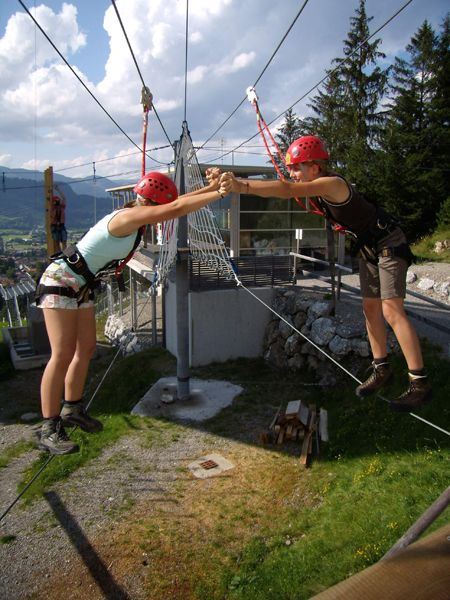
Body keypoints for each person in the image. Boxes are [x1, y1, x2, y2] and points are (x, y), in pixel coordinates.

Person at [220, 136, 433, 413]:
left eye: (296, 168)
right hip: (370, 247)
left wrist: (241, 185)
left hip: (389, 242)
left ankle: (420, 384)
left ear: (314, 167)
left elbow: (284, 189)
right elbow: (289, 187)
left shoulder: (332, 184)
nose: (292, 174)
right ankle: (382, 369)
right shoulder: (318, 191)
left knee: (392, 311)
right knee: (370, 310)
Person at [37, 169, 226, 455]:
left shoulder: (138, 213)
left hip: (80, 283)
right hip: (62, 280)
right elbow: (175, 207)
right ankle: (48, 427)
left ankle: (71, 409)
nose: (164, 214)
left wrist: (210, 189)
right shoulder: (127, 218)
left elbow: (176, 203)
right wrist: (221, 192)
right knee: (62, 353)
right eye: (161, 207)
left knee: (86, 348)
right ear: (152, 204)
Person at [49, 184, 68, 252]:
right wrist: (55, 209)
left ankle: (65, 253)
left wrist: (58, 190)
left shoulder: (62, 207)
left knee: (64, 241)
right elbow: (53, 216)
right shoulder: (51, 209)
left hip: (61, 225)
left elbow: (64, 198)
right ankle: (60, 254)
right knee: (56, 242)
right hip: (55, 226)